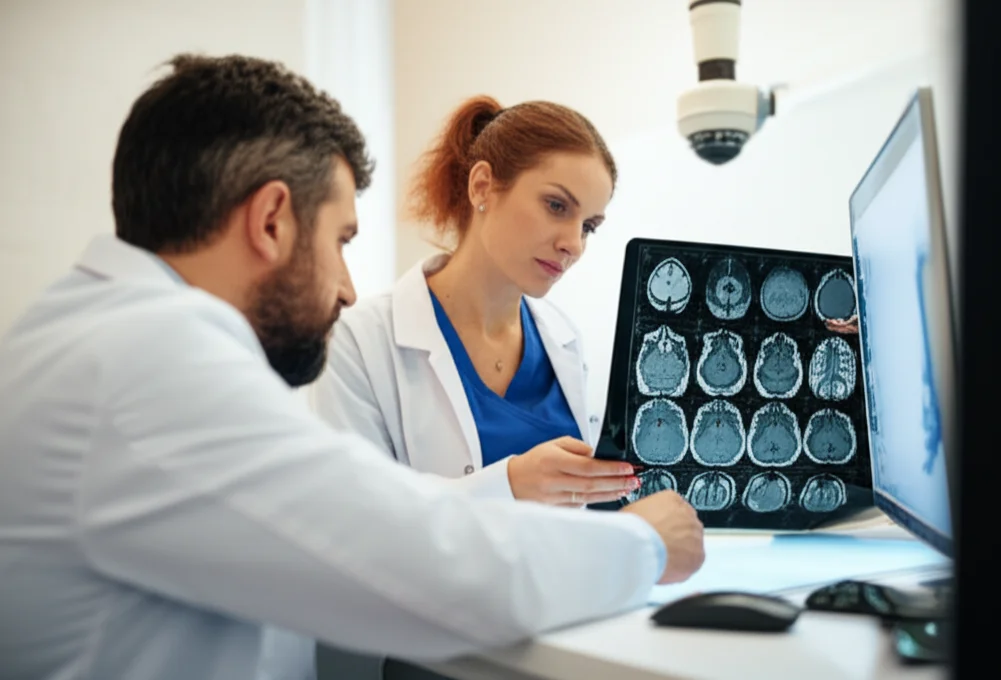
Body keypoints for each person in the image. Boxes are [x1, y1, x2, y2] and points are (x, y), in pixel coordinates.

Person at [0, 54, 706, 680]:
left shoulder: (85, 335)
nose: (344, 287)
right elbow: (418, 560)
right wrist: (644, 543)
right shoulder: (149, 358)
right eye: (339, 240)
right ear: (272, 219)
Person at [310, 96, 637, 508]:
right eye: (556, 206)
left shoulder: (563, 338)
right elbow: (351, 519)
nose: (572, 244)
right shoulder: (357, 342)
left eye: (589, 226)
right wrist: (509, 484)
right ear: (482, 186)